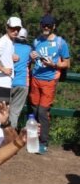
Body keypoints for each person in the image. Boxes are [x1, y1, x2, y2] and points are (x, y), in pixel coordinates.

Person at [29, 14, 70, 154]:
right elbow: (33, 59)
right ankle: (32, 139)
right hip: (35, 78)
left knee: (43, 111)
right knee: (34, 109)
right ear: (41, 25)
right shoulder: (37, 41)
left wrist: (54, 64)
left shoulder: (60, 43)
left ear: (53, 26)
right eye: (44, 25)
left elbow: (67, 63)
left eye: (48, 25)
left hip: (49, 80)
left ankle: (43, 142)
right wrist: (32, 57)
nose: (46, 27)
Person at [10, 26, 33, 127]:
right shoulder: (29, 49)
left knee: (3, 111)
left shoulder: (10, 46)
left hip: (7, 82)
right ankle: (10, 138)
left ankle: (1, 138)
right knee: (14, 113)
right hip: (23, 83)